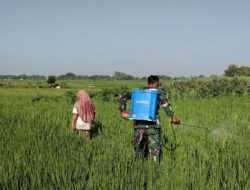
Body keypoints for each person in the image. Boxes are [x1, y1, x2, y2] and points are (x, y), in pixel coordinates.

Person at [118, 75, 180, 162]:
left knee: (137, 149)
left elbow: (122, 95)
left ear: (147, 83)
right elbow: (166, 105)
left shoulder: (138, 92)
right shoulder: (157, 93)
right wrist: (173, 118)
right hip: (153, 126)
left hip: (139, 126)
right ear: (156, 83)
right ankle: (154, 170)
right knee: (154, 151)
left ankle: (136, 166)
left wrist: (123, 112)